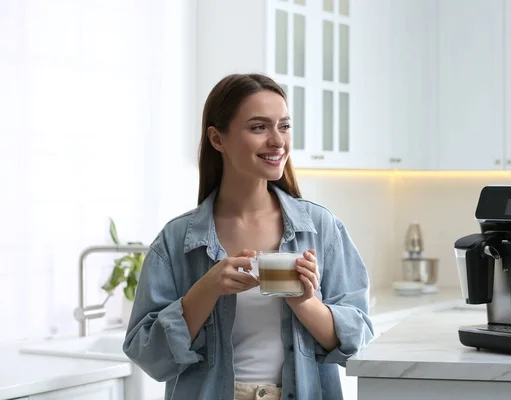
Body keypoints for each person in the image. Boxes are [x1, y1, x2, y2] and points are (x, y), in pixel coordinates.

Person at [123, 73, 375, 400]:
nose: (277, 141)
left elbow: (360, 340)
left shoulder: (321, 227)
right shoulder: (176, 241)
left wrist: (306, 303)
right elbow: (148, 355)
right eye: (259, 127)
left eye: (283, 126)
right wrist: (207, 288)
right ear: (217, 139)